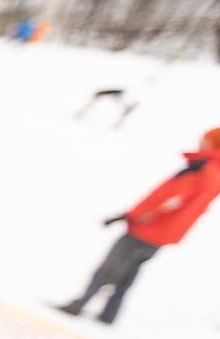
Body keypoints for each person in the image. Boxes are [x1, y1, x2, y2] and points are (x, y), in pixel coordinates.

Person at [57, 128, 220, 324]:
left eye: (205, 139)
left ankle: (80, 304)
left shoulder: (201, 168)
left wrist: (135, 216)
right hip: (167, 233)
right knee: (129, 272)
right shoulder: (215, 173)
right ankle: (109, 314)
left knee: (111, 268)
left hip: (149, 228)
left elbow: (172, 199)